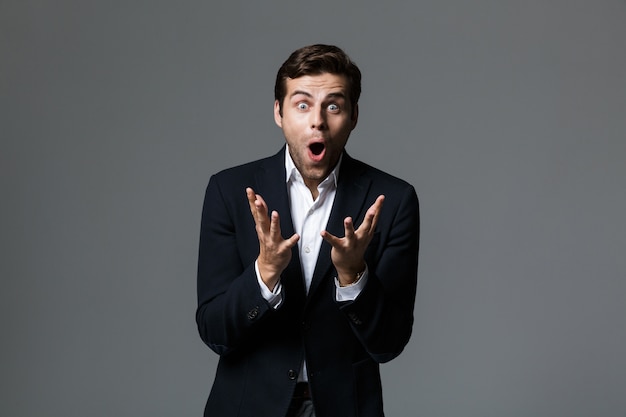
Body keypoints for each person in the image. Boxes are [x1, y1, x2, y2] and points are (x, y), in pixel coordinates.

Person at [196, 44, 419, 417]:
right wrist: (264, 273)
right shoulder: (228, 190)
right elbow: (215, 333)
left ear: (353, 116)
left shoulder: (392, 200)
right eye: (302, 105)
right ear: (278, 113)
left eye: (333, 105)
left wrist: (353, 275)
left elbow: (388, 344)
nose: (317, 120)